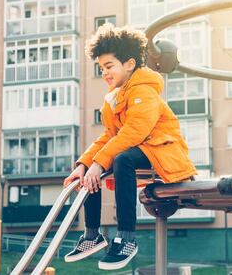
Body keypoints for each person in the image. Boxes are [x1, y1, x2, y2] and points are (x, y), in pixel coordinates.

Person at [63, 23, 197, 270]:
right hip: (139, 150)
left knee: (119, 159)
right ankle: (93, 234)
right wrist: (84, 164)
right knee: (94, 170)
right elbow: (109, 136)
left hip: (163, 151)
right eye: (101, 68)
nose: (104, 72)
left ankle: (126, 238)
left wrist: (99, 162)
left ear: (130, 64)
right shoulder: (115, 97)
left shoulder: (144, 92)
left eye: (109, 66)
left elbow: (135, 132)